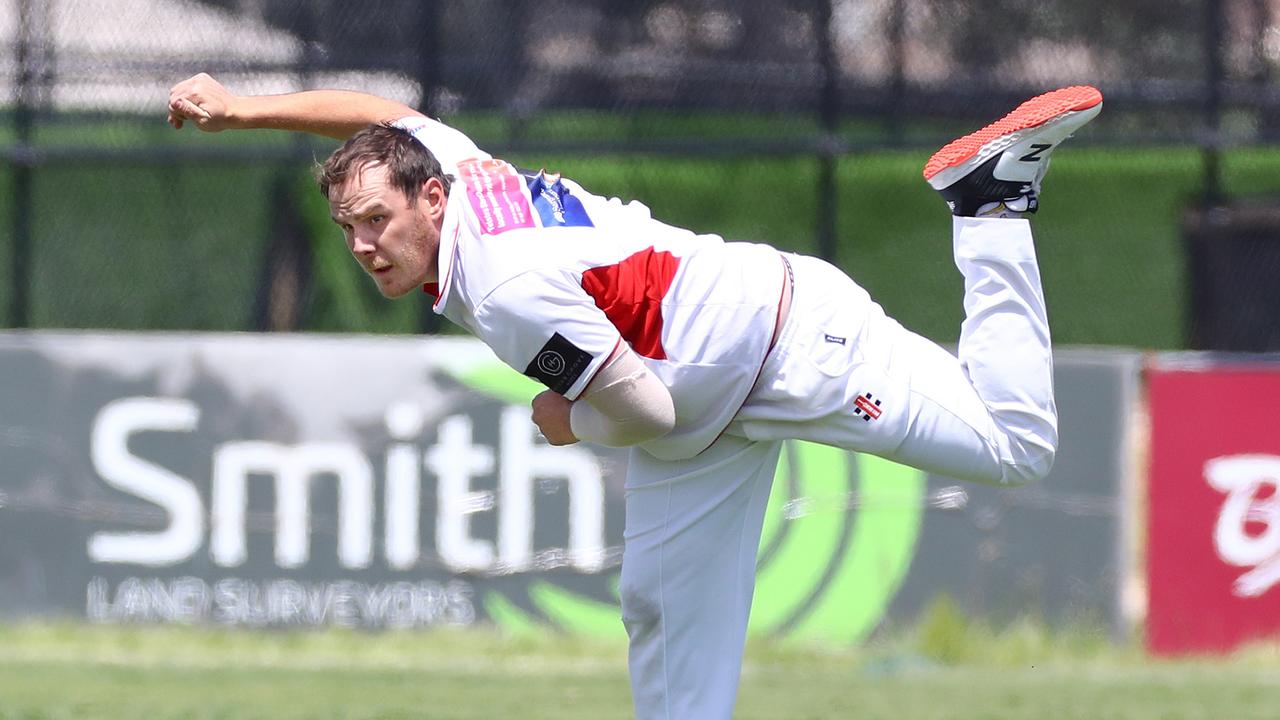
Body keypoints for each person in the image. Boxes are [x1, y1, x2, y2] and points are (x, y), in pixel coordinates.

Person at [168, 74, 1101, 719]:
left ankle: (988, 206)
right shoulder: (453, 166)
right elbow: (380, 116)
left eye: (378, 219)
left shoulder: (501, 289)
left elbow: (641, 411)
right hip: (704, 407)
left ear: (432, 202)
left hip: (787, 347)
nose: (365, 244)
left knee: (1015, 447)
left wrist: (563, 419)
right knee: (662, 612)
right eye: (349, 228)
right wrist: (243, 113)